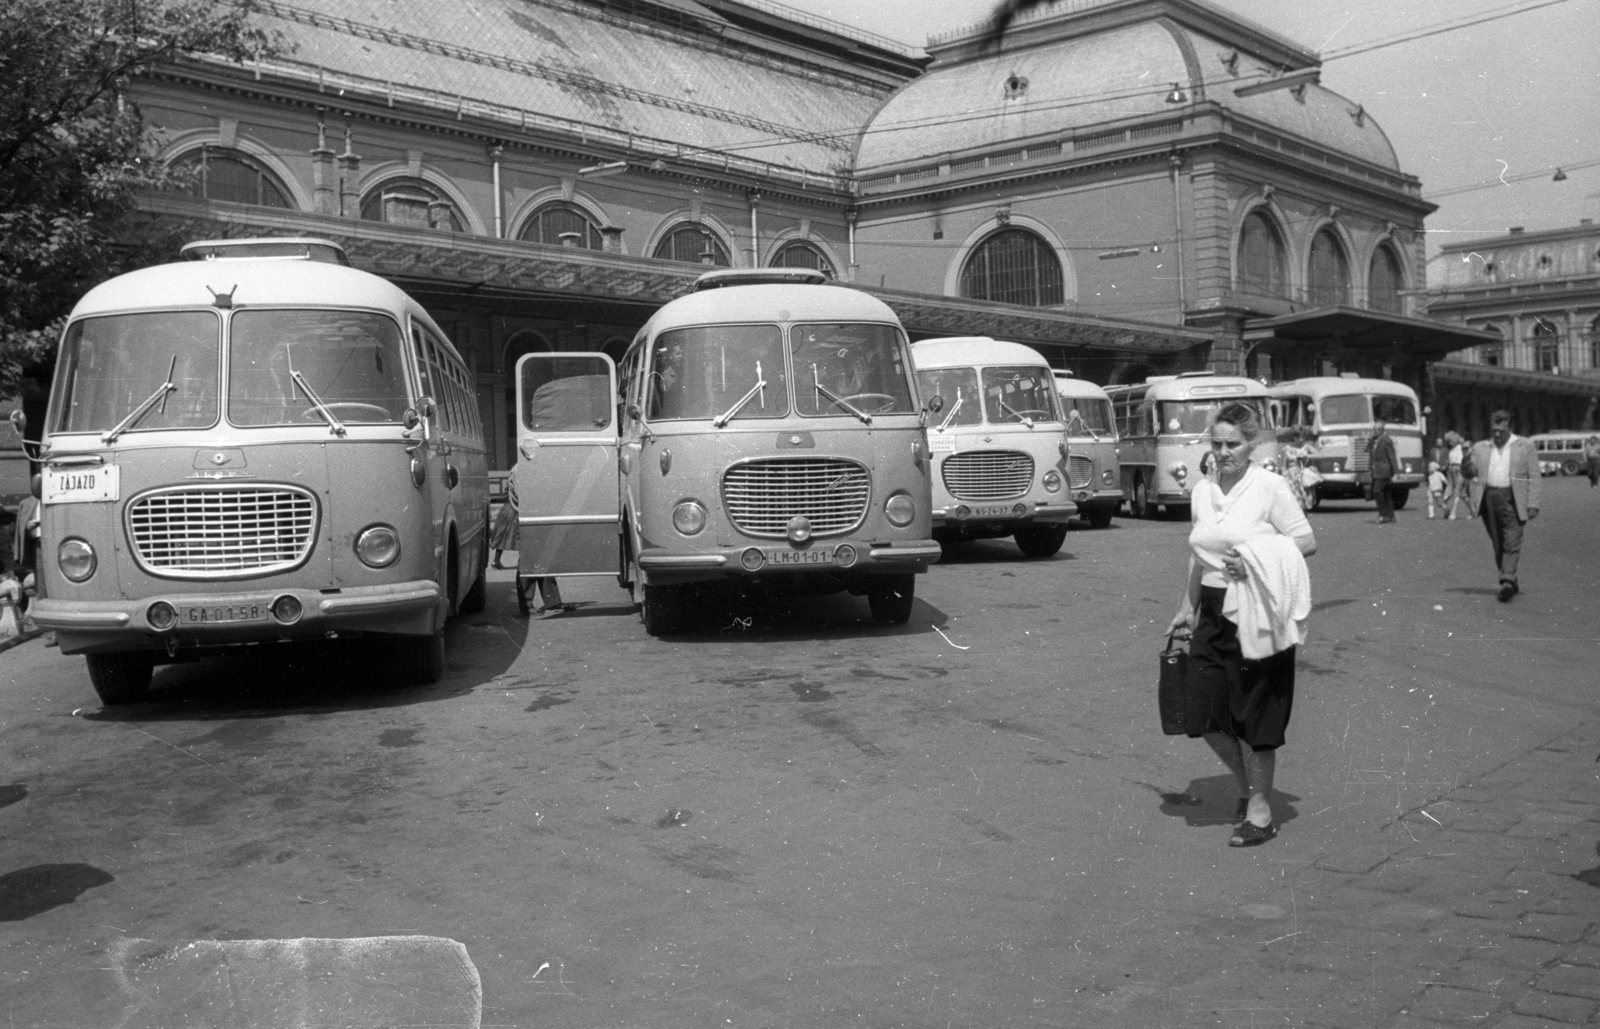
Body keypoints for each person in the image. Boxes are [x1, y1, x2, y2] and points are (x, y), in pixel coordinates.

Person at [1168, 403, 1316, 848]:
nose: (1224, 451)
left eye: (1233, 444)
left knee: (1256, 714)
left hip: (1256, 608)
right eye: (1217, 443)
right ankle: (1251, 786)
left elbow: (1306, 540)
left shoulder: (1269, 486)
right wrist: (1186, 607)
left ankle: (1259, 809)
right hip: (1212, 609)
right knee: (1204, 711)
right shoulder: (1202, 490)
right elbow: (1199, 554)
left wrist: (1255, 558)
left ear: (1251, 444)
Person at [1469, 410, 1541, 602]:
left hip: (1513, 499)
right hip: (1489, 499)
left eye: (1501, 430)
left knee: (1512, 539)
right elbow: (1471, 472)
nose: (1497, 434)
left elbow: (1534, 475)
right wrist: (1466, 468)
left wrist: (1533, 502)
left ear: (1511, 428)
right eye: (1494, 430)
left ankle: (1507, 581)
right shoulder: (1481, 447)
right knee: (1498, 542)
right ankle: (1510, 577)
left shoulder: (1525, 445)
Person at [491, 477, 566, 611]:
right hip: (525, 515)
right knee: (528, 560)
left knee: (542, 558)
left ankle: (551, 601)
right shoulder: (522, 470)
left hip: (534, 515)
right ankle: (528, 604)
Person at [1368, 421, 1399, 524]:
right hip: (1376, 471)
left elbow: (1392, 456)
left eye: (1375, 429)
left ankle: (1383, 515)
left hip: (1384, 471)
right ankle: (1391, 516)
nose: (1373, 431)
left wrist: (1396, 472)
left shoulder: (1386, 440)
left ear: (1380, 430)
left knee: (1377, 491)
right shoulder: (1374, 440)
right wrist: (1371, 440)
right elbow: (1368, 451)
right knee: (1386, 494)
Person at [1443, 432, 1467, 519]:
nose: (1449, 443)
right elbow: (1449, 461)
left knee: (1457, 491)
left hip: (1459, 470)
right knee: (1450, 491)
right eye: (1448, 441)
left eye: (1450, 441)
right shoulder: (1451, 450)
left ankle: (1453, 512)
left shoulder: (1461, 448)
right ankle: (1472, 510)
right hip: (1451, 470)